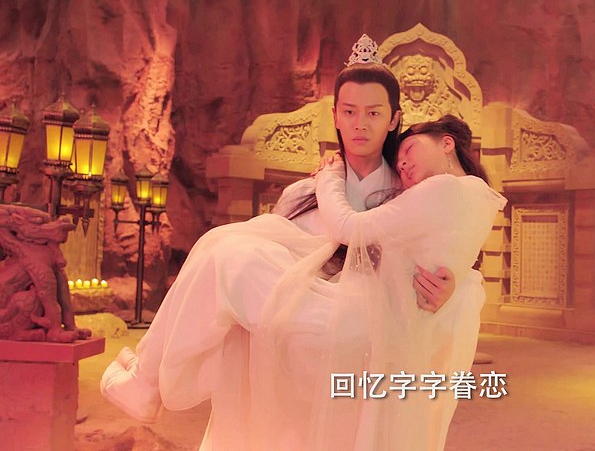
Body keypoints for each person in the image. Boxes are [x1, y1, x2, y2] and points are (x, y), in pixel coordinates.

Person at [99, 36, 484, 449]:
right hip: (289, 350)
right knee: (225, 253)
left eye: (374, 113)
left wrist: (451, 287)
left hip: (360, 344)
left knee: (231, 258)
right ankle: (148, 381)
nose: (360, 124)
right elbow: (267, 257)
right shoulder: (304, 193)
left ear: (394, 119)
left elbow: (452, 250)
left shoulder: (408, 191)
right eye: (350, 112)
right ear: (335, 116)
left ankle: (144, 380)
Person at [249, 114, 506, 450]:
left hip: (389, 323)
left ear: (447, 143)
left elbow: (351, 228)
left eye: (409, 150)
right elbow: (453, 263)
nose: (403, 164)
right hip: (410, 329)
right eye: (398, 164)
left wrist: (330, 176)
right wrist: (454, 287)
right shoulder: (481, 196)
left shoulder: (442, 188)